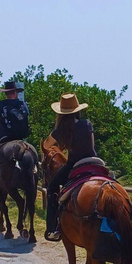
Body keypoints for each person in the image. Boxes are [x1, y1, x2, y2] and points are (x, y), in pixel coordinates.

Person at [44, 93, 96, 240]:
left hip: (74, 165)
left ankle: (52, 228)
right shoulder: (87, 124)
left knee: (52, 186)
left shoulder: (60, 130)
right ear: (77, 110)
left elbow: (47, 145)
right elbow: (91, 145)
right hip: (94, 161)